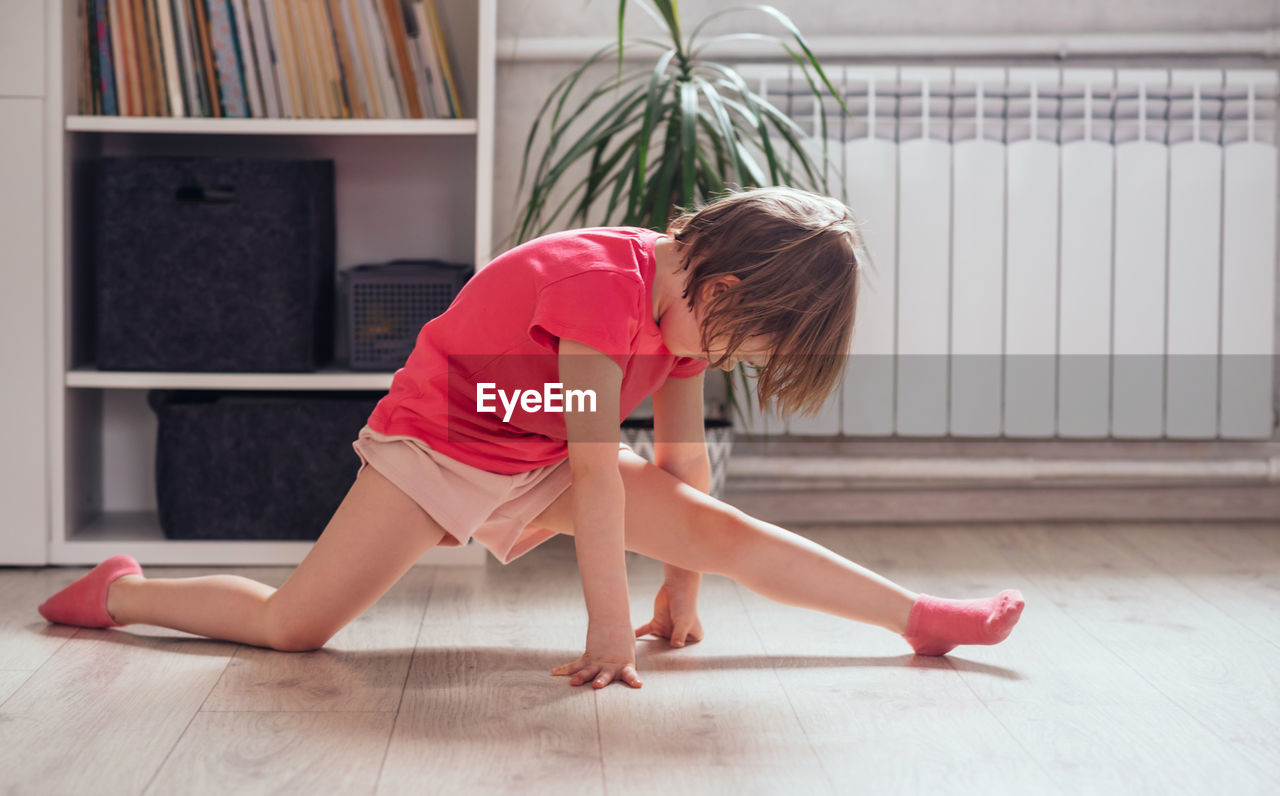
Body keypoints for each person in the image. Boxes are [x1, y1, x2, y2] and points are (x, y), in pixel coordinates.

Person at [38, 187, 1024, 689]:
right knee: (295, 627)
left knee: (720, 532)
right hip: (439, 448)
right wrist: (605, 620)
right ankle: (116, 591)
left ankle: (917, 616)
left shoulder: (688, 314)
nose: (723, 362)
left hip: (538, 451)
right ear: (719, 290)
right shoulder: (599, 290)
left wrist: (679, 587)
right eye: (742, 345)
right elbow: (600, 476)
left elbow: (683, 469)